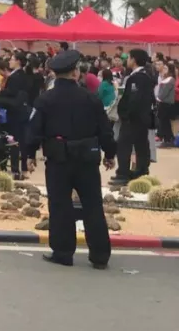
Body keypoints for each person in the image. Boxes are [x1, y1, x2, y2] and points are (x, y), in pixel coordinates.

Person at [28, 49, 115, 268]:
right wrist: (109, 154)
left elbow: (34, 130)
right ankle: (100, 256)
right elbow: (105, 130)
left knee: (60, 205)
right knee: (93, 205)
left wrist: (29, 154)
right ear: (75, 73)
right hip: (87, 159)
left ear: (54, 74)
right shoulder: (91, 99)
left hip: (58, 159)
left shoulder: (45, 99)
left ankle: (63, 252)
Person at [114, 48, 154, 185]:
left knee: (124, 145)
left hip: (133, 119)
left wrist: (126, 114)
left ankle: (123, 173)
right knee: (141, 145)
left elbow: (134, 99)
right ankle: (141, 171)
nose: (127, 60)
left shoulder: (137, 77)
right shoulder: (145, 76)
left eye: (129, 58)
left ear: (134, 60)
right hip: (142, 118)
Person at [0, 52, 32, 177]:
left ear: (18, 61)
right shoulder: (24, 75)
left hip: (14, 112)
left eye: (12, 59)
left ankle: (15, 169)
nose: (9, 61)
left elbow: (11, 92)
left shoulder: (15, 77)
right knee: (22, 140)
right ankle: (23, 169)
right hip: (23, 111)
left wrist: (0, 92)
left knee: (14, 141)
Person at [154, 60, 175, 144]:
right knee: (163, 122)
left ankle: (168, 139)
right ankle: (167, 138)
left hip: (166, 103)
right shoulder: (165, 79)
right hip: (162, 103)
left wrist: (158, 98)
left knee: (165, 122)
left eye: (166, 68)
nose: (164, 70)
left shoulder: (170, 79)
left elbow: (164, 93)